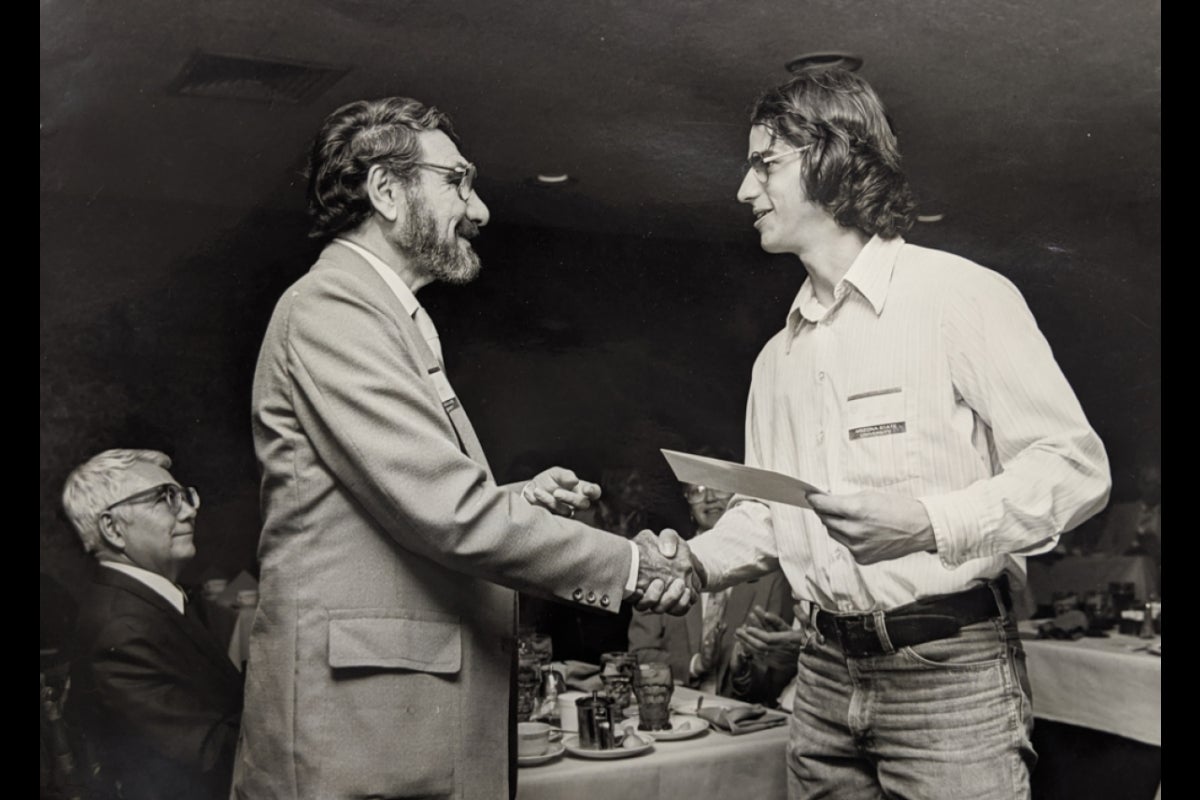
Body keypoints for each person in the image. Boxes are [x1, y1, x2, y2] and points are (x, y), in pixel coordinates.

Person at [235, 96, 698, 800]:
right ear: (386, 192)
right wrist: (632, 565)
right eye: (456, 181)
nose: (478, 210)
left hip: (389, 723)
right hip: (364, 732)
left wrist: (512, 500)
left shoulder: (381, 313)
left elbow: (393, 503)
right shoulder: (335, 310)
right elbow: (447, 513)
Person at [687, 68, 1112, 799]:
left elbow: (1075, 470)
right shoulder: (775, 359)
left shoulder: (960, 297)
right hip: (817, 679)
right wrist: (687, 563)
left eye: (765, 165)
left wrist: (927, 525)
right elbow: (771, 515)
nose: (744, 192)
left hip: (950, 675)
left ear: (832, 157)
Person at [61, 449, 244, 800]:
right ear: (113, 528)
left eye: (185, 496)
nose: (191, 510)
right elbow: (212, 757)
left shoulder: (146, 601)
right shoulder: (119, 629)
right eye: (166, 499)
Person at [630, 466, 796, 705]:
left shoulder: (773, 578)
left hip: (741, 717)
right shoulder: (662, 565)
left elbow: (777, 669)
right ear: (686, 500)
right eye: (696, 490)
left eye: (719, 487)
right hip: (674, 709)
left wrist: (742, 673)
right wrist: (696, 664)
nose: (709, 498)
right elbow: (639, 654)